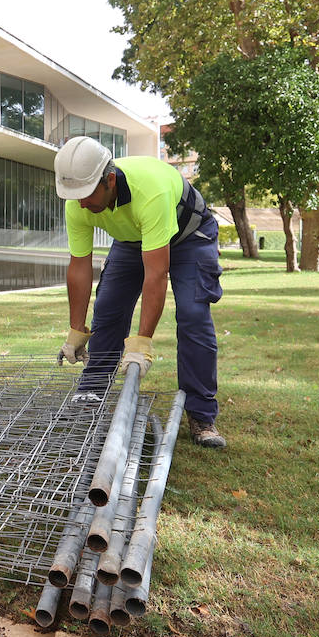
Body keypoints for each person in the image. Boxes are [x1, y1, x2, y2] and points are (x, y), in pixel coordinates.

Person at [53, 136, 227, 448]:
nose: (81, 203)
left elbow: (156, 273)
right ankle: (91, 392)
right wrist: (76, 329)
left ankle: (201, 414)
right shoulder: (78, 201)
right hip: (134, 237)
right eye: (74, 196)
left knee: (192, 314)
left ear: (109, 180)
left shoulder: (150, 192)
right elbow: (79, 266)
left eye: (87, 195)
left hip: (190, 235)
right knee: (108, 308)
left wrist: (142, 342)